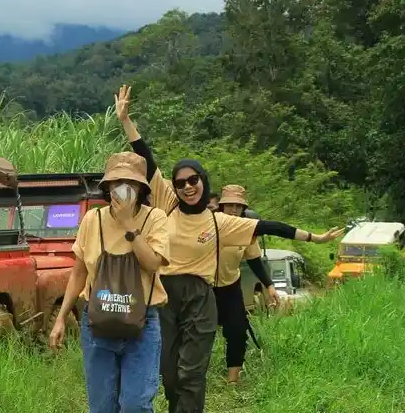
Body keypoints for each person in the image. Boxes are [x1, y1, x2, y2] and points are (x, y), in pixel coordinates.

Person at [114, 84, 344, 413]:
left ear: (203, 181)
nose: (187, 187)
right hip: (164, 295)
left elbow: (270, 226)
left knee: (191, 372)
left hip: (200, 297)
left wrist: (315, 238)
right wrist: (126, 120)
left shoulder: (220, 222)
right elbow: (146, 160)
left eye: (193, 180)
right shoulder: (166, 202)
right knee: (169, 374)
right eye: (181, 183)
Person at [49, 151, 171, 413]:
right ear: (107, 186)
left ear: (141, 188)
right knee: (102, 406)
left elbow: (152, 264)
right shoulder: (93, 220)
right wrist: (60, 318)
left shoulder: (155, 218)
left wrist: (129, 225)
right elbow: (79, 272)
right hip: (98, 321)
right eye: (117, 182)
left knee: (135, 404)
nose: (123, 188)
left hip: (142, 322)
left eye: (131, 182)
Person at [214, 184, 279, 385]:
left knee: (237, 330)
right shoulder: (209, 223)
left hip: (230, 286)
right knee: (200, 332)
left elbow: (254, 260)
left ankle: (233, 380)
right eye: (229, 205)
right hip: (204, 287)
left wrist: (269, 286)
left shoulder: (245, 230)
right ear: (222, 206)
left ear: (243, 208)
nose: (233, 209)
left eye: (238, 206)